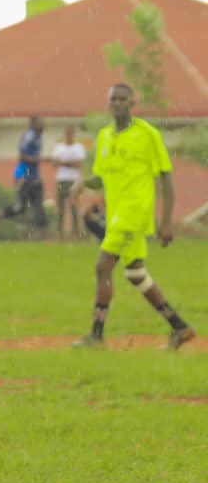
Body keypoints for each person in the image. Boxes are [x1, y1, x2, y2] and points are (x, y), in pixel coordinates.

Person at [71, 83, 196, 351]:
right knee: (135, 273)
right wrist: (82, 183)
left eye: (122, 99)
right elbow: (102, 177)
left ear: (132, 103)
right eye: (112, 99)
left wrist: (166, 222)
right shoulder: (104, 136)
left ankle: (96, 335)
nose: (116, 103)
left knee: (103, 266)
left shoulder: (146, 134)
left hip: (134, 212)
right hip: (117, 213)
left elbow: (166, 176)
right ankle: (180, 327)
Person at [0, 115, 47, 236]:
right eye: (40, 122)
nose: (43, 124)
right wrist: (19, 174)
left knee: (39, 207)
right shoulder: (30, 136)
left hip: (35, 178)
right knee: (20, 208)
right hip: (24, 177)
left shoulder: (39, 137)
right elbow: (22, 156)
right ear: (33, 124)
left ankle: (45, 236)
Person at [50, 125, 85, 240]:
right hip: (61, 180)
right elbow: (54, 163)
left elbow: (79, 164)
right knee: (60, 209)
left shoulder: (78, 148)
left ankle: (76, 234)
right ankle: (60, 235)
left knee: (74, 207)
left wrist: (63, 162)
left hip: (73, 181)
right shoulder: (59, 147)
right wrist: (70, 163)